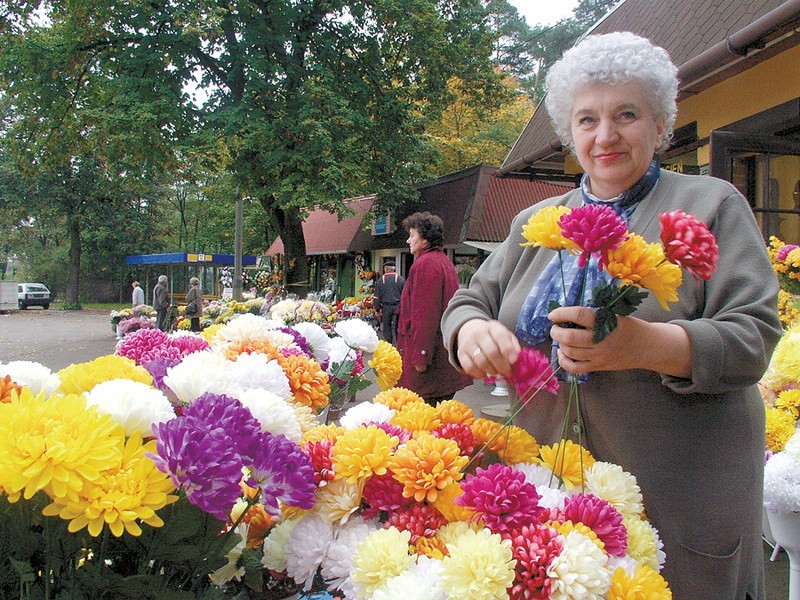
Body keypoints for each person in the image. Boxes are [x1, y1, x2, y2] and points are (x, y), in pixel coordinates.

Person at [441, 32, 782, 598]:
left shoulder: (712, 204)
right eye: (586, 119)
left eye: (626, 114)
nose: (605, 136)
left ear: (659, 123)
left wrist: (647, 344)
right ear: (570, 130)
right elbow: (469, 300)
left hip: (678, 496)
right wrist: (472, 329)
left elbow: (754, 335)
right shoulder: (536, 220)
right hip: (555, 490)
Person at [397, 212, 472, 405]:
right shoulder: (442, 261)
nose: (408, 240)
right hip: (440, 358)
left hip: (430, 365)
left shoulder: (426, 264)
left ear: (425, 239)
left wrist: (421, 356)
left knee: (423, 422)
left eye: (412, 235)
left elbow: (425, 314)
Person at [373, 260, 405, 344]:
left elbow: (376, 297)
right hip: (398, 306)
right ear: (394, 269)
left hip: (386, 307)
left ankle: (389, 344)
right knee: (397, 326)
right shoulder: (401, 280)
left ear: (386, 269)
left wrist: (377, 309)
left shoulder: (380, 281)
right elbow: (405, 296)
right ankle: (398, 344)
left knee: (386, 327)